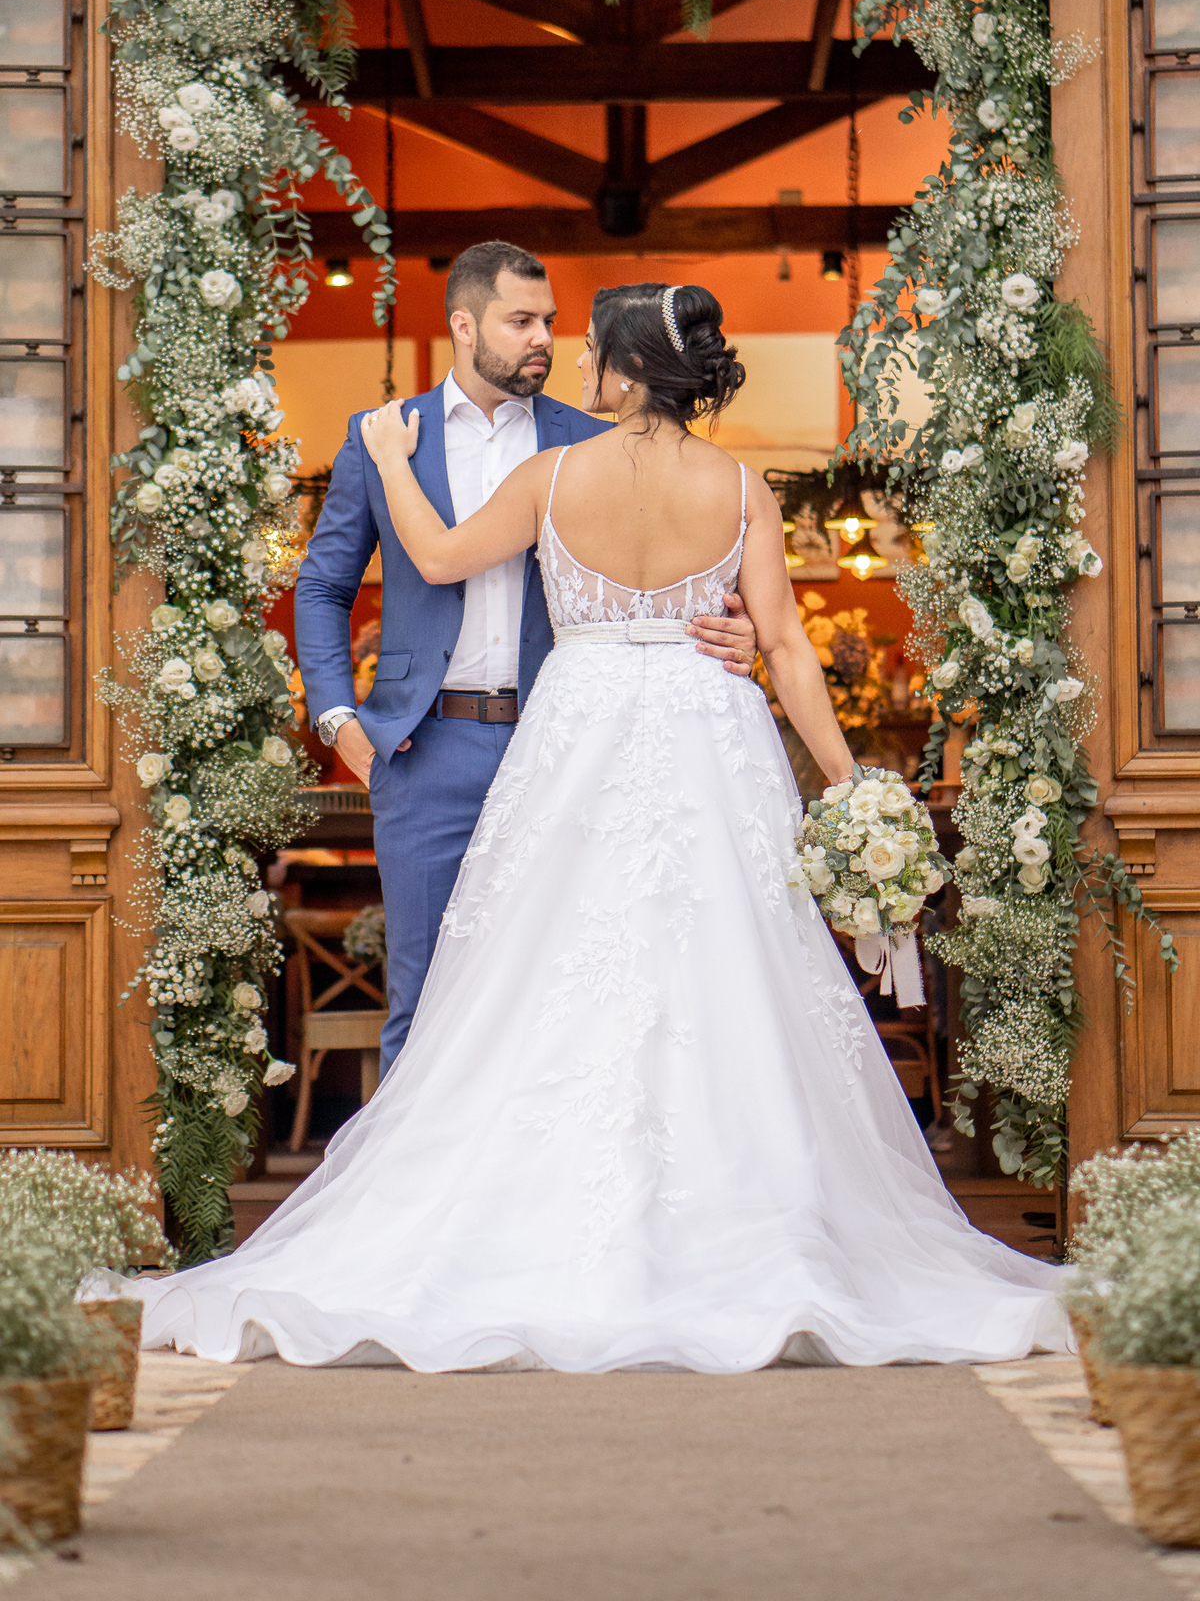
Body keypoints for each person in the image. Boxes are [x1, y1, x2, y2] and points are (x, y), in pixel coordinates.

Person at [131, 281, 1066, 1373]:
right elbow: (793, 650)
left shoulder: (549, 474)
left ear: (625, 372)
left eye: (586, 354)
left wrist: (390, 461)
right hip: (708, 734)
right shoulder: (739, 484)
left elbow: (432, 558)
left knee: (539, 973)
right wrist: (851, 782)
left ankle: (526, 1221)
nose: (570, 367)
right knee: (727, 971)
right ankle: (741, 1220)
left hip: (574, 733)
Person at [294, 242, 757, 1074]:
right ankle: (417, 1206)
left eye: (549, 321)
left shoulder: (593, 438)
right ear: (465, 326)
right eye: (522, 322)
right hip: (426, 748)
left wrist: (739, 630)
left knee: (571, 998)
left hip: (570, 749)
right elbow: (323, 587)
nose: (544, 338)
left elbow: (664, 583)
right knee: (426, 1002)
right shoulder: (386, 440)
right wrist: (336, 718)